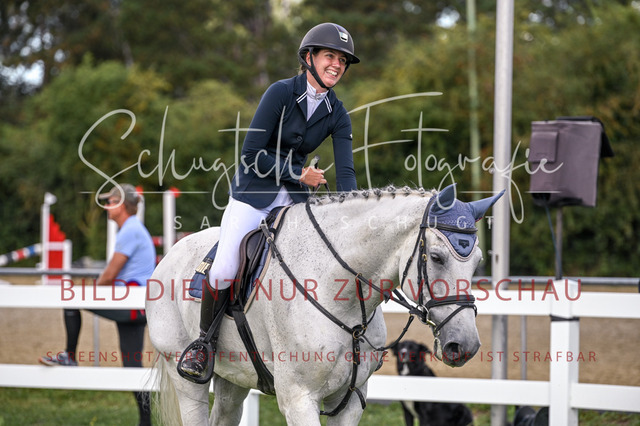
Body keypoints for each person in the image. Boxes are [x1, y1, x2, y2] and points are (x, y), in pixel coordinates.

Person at [177, 22, 360, 383]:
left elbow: (347, 174)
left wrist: (352, 216)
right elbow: (250, 153)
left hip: (294, 204)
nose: (337, 65)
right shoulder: (280, 93)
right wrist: (298, 174)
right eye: (330, 56)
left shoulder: (338, 113)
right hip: (253, 195)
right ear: (309, 57)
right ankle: (203, 344)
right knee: (225, 268)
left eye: (342, 60)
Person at [39, 183, 156, 426]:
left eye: (110, 202)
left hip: (132, 304)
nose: (106, 207)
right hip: (138, 304)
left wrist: (88, 294)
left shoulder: (129, 231)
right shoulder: (134, 228)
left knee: (71, 299)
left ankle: (70, 356)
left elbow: (108, 275)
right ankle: (146, 423)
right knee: (132, 367)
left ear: (122, 205)